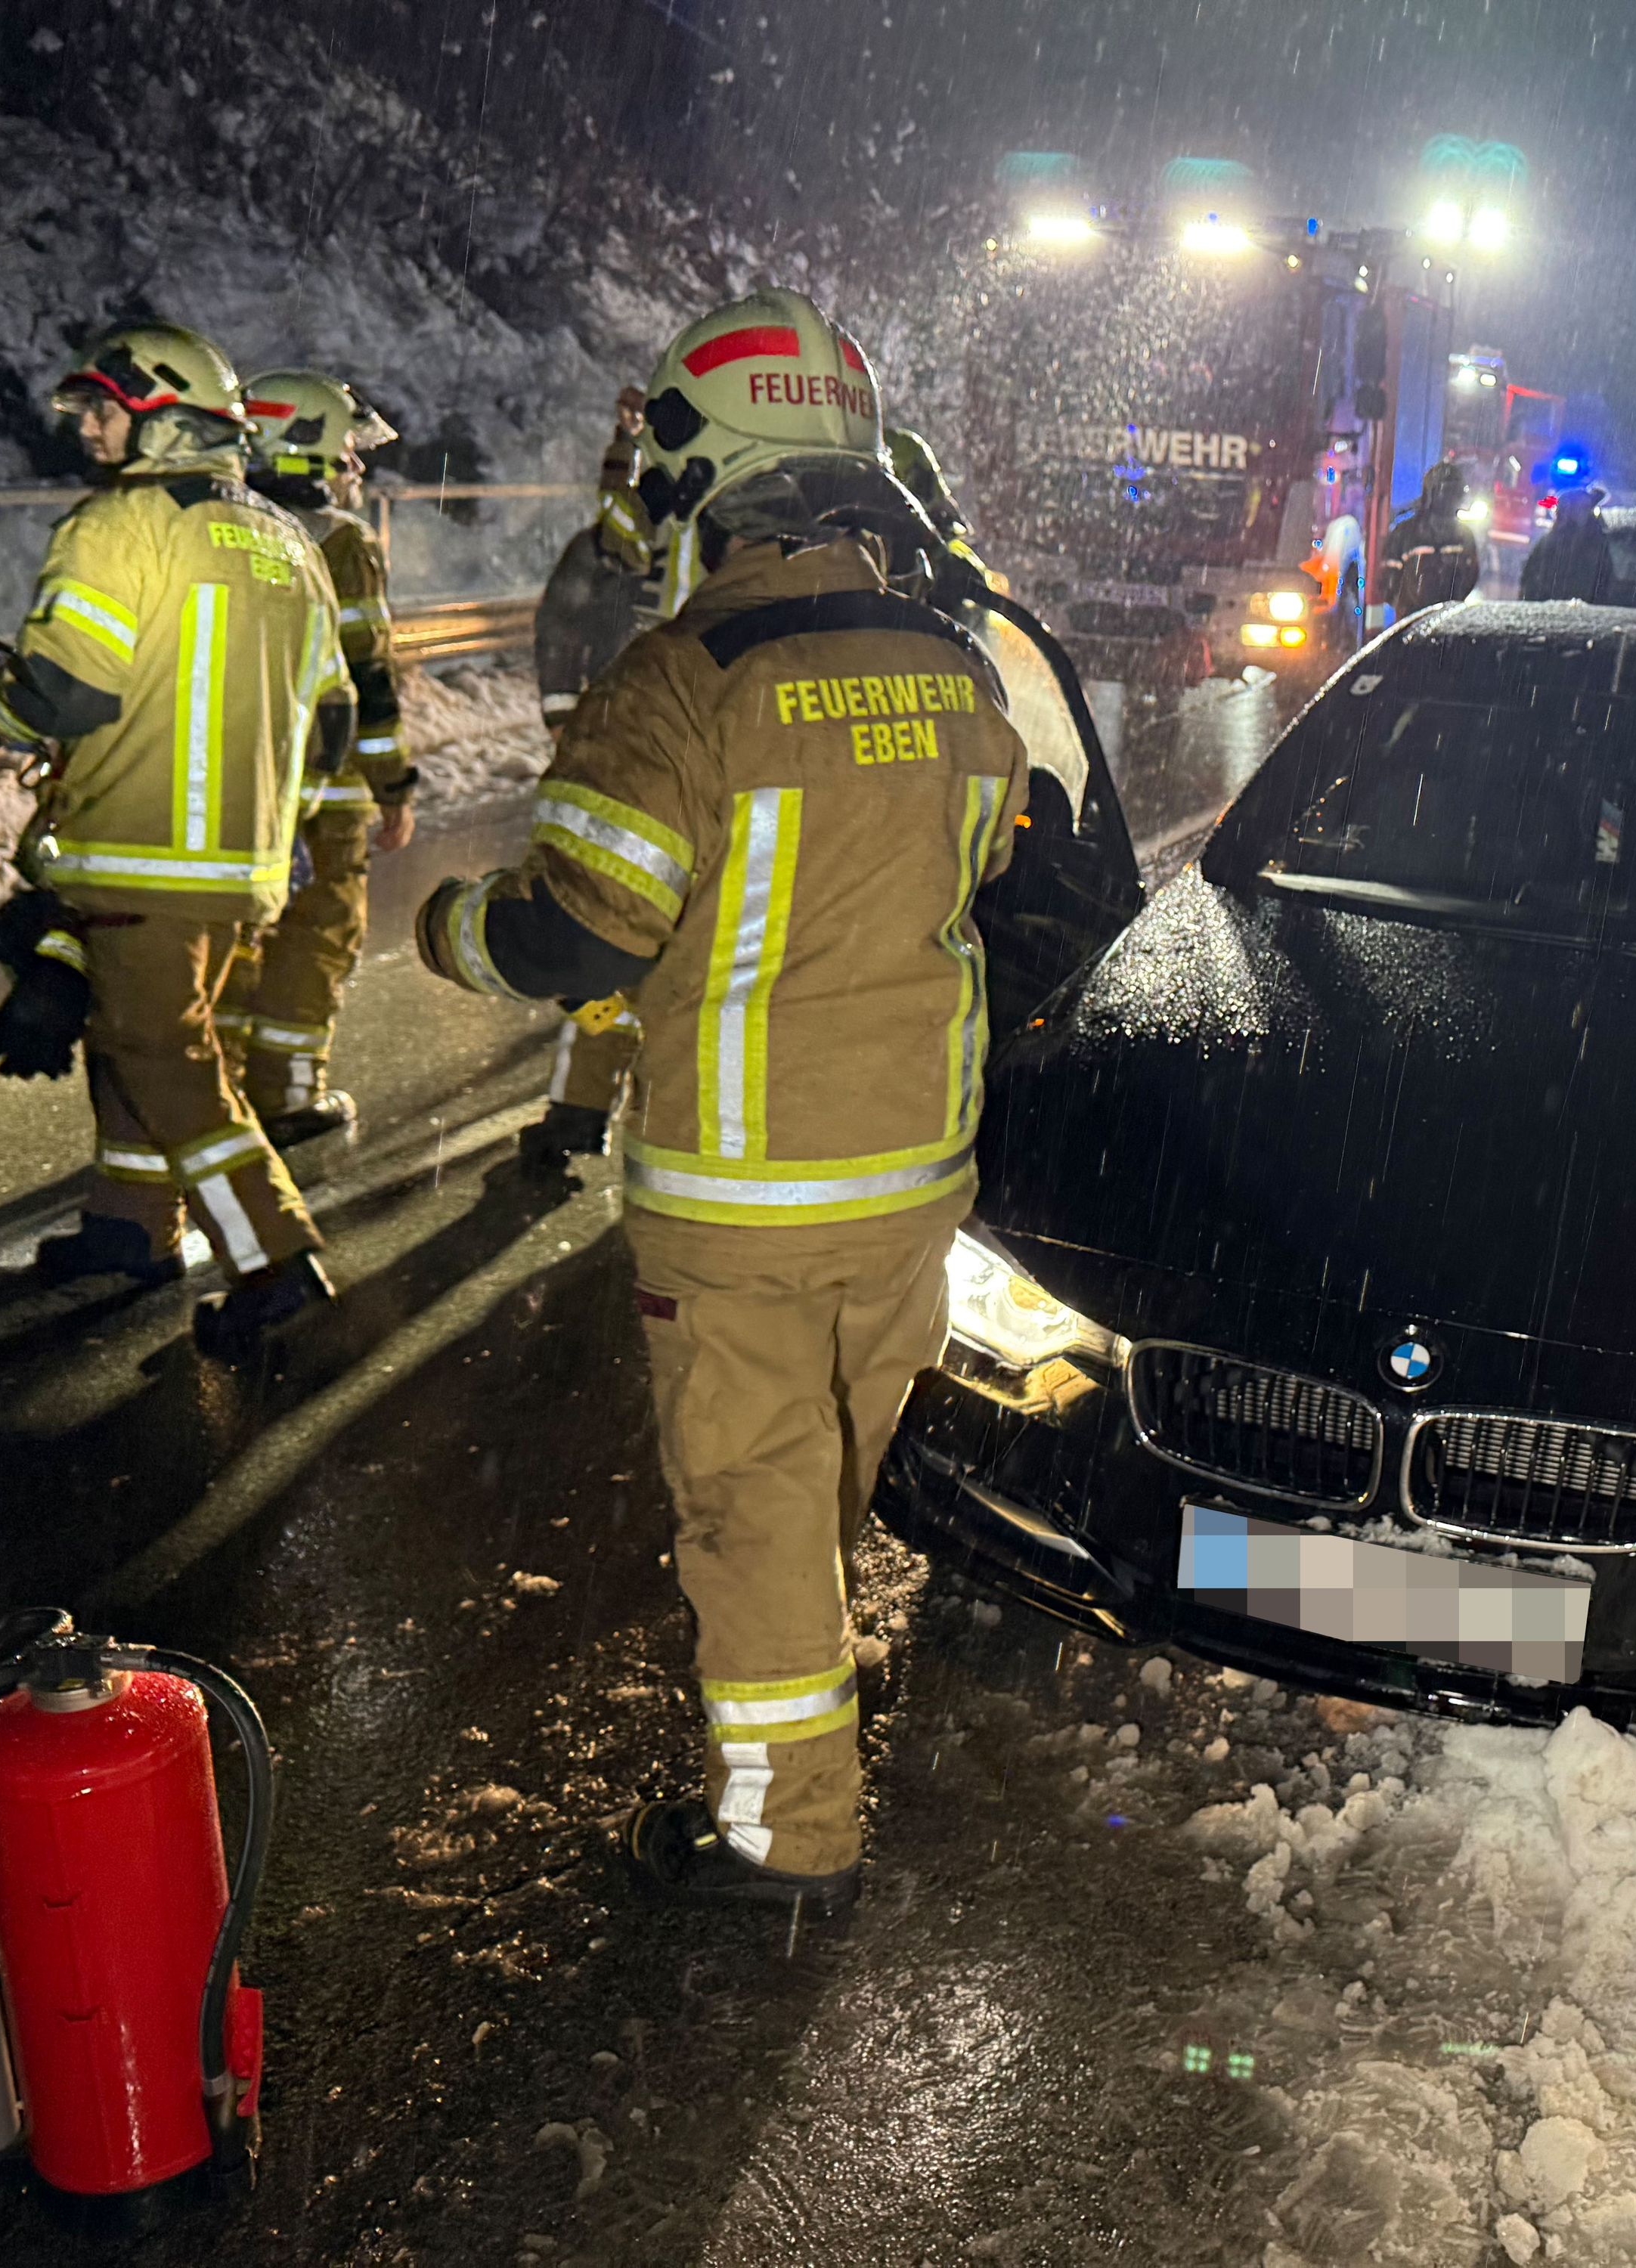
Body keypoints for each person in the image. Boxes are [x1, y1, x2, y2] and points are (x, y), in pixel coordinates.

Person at [415, 288, 1027, 1913]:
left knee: (748, 1512)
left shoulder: (683, 679)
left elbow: (571, 935)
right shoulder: (957, 670)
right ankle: (812, 1708)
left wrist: (453, 932)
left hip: (746, 1199)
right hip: (913, 1183)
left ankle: (782, 1836)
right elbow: (983, 879)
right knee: (824, 1474)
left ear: (719, 464)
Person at [0, 323, 352, 1361]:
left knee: (161, 1049)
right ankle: (132, 1225)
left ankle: (275, 1259)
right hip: (243, 870)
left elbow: (65, 688)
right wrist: (269, 827)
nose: (90, 431)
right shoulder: (287, 542)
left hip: (136, 852)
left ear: (170, 423)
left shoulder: (118, 526)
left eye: (106, 411)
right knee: (148, 1032)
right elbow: (331, 719)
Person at [224, 369, 417, 1144]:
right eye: (344, 452)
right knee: (316, 939)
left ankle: (213, 1097)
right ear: (303, 450)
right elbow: (366, 672)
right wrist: (393, 782)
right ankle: (289, 1099)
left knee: (236, 946)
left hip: (238, 785)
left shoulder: (220, 527)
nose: (355, 468)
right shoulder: (343, 544)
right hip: (325, 791)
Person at [519, 387, 658, 1180]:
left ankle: (586, 1111)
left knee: (603, 939)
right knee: (604, 939)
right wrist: (566, 718)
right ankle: (585, 1111)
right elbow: (560, 621)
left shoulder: (687, 550)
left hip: (637, 772)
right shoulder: (643, 548)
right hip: (623, 771)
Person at [1380, 457, 1480, 617]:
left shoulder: (1464, 536)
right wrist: (1408, 608)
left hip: (1447, 623)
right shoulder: (1406, 533)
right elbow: (1388, 580)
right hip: (1417, 623)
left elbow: (1471, 575)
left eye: (1452, 492)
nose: (1449, 498)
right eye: (1446, 491)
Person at [1517, 483, 1615, 604]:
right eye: (1579, 508)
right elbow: (1531, 579)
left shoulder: (1596, 543)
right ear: (1566, 512)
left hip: (1586, 613)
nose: (1582, 513)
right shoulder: (1551, 543)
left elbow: (1605, 581)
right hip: (1552, 612)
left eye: (1585, 508)